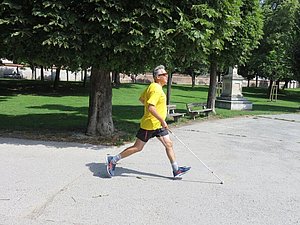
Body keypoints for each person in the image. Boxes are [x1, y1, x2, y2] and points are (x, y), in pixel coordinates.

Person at [106, 65, 191, 179]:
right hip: (150, 124)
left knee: (169, 144)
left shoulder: (153, 87)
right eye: (164, 74)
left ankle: (176, 170)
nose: (167, 76)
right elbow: (151, 107)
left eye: (166, 74)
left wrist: (158, 117)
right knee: (138, 147)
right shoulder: (156, 89)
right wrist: (162, 120)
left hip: (157, 125)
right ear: (157, 77)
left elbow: (142, 99)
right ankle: (113, 160)